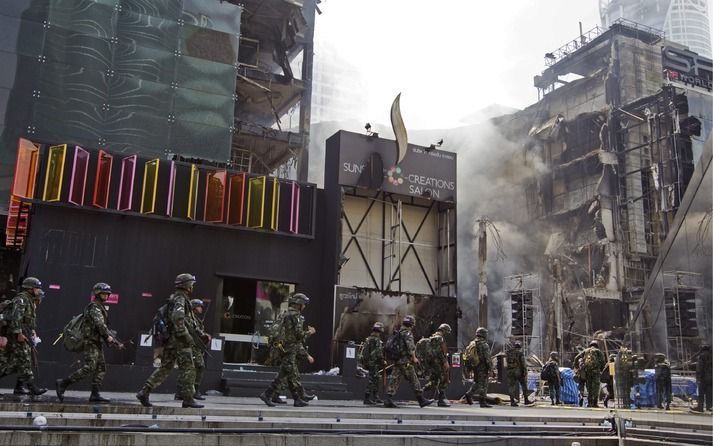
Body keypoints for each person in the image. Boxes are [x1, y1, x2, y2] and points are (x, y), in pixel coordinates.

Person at [136, 273, 210, 408]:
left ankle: (144, 392)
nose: (193, 287)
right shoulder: (181, 299)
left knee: (165, 368)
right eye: (191, 284)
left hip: (171, 340)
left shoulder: (176, 298)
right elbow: (178, 318)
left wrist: (200, 333)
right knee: (189, 368)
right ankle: (188, 398)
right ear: (187, 286)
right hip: (180, 341)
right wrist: (186, 336)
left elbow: (188, 322)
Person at [56, 283, 123, 403]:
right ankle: (63, 383)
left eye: (107, 294)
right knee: (90, 367)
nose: (106, 296)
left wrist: (114, 341)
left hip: (96, 342)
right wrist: (108, 337)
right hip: (91, 341)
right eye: (104, 293)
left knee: (101, 368)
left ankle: (95, 394)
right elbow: (100, 325)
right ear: (97, 293)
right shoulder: (94, 307)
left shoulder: (100, 307)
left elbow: (103, 326)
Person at [259, 293, 315, 407]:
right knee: (284, 373)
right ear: (299, 304)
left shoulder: (285, 313)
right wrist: (310, 332)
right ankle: (267, 394)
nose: (304, 307)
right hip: (290, 349)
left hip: (283, 347)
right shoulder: (296, 316)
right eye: (304, 304)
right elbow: (299, 335)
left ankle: (297, 398)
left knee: (291, 374)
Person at [0, 277, 47, 396]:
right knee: (25, 359)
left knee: (10, 363)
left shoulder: (30, 300)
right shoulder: (21, 299)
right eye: (37, 288)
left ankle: (19, 387)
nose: (38, 290)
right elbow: (17, 317)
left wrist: (32, 332)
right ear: (30, 288)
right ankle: (32, 388)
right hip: (17, 335)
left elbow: (28, 320)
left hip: (24, 332)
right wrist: (19, 333)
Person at [383, 315, 433, 408]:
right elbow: (411, 347)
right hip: (405, 362)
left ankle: (388, 399)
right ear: (412, 324)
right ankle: (421, 400)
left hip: (398, 361)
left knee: (394, 380)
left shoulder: (399, 332)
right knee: (414, 380)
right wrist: (414, 358)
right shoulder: (408, 333)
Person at [175, 299, 208, 401]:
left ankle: (181, 392)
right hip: (189, 345)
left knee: (189, 368)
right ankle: (194, 391)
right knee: (199, 366)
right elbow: (193, 330)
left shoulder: (195, 318)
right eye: (199, 306)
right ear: (194, 307)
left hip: (194, 346)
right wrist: (202, 334)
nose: (201, 308)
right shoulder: (188, 317)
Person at [463, 327, 493, 408]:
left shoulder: (472, 343)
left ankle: (469, 394)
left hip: (475, 366)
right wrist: (490, 369)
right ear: (483, 334)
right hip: (482, 366)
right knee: (484, 383)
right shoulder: (484, 344)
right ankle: (482, 401)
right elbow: (487, 358)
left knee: (477, 381)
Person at [423, 323, 452, 407]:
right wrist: (445, 362)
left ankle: (421, 392)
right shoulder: (440, 338)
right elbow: (440, 352)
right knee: (444, 379)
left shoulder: (432, 337)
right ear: (444, 331)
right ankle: (441, 400)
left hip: (432, 363)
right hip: (439, 363)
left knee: (434, 381)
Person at [574, 340, 606, 408]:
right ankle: (594, 403)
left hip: (587, 372)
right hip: (596, 372)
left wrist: (577, 367)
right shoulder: (598, 351)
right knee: (596, 388)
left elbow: (576, 358)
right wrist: (601, 370)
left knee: (589, 388)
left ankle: (589, 403)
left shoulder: (585, 351)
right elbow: (603, 362)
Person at [359, 322, 385, 405]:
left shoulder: (369, 339)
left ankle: (375, 397)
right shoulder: (376, 339)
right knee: (373, 380)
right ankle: (367, 398)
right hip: (374, 363)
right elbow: (378, 352)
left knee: (376, 379)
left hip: (369, 362)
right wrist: (382, 361)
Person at [506, 341, 531, 406]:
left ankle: (512, 401)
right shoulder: (520, 353)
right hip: (518, 371)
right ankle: (526, 400)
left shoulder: (508, 353)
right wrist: (525, 371)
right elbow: (523, 363)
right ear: (520, 347)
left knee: (511, 387)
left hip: (510, 371)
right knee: (524, 385)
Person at [693, 343, 712, 412]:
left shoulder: (701, 356)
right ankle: (709, 407)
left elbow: (699, 368)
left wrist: (698, 377)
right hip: (711, 378)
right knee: (709, 393)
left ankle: (700, 407)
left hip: (703, 378)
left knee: (701, 393)